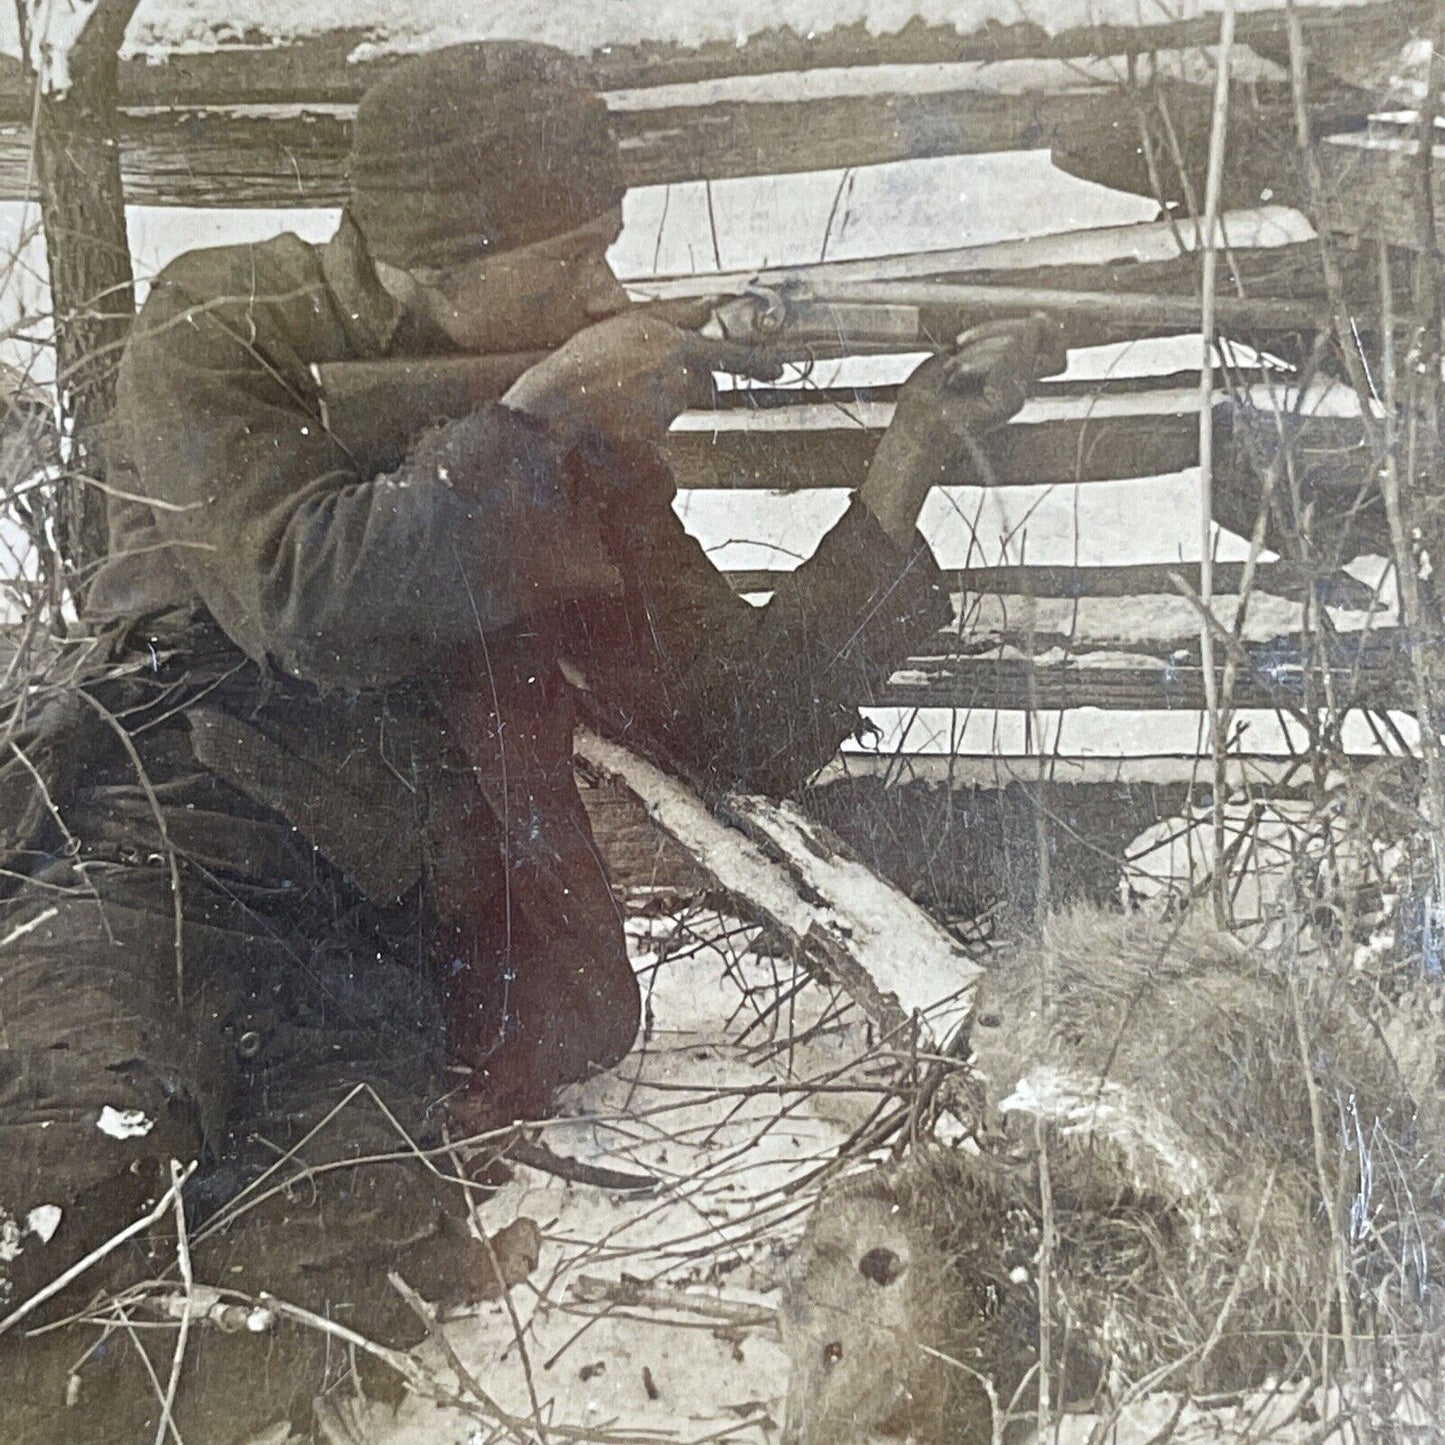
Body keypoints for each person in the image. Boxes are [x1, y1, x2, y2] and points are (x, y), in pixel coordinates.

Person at [0, 40, 1058, 1336]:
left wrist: (904, 466)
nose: (604, 290)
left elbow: (734, 717)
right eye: (567, 260)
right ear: (430, 256)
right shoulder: (224, 329)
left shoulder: (565, 431)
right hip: (162, 858)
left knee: (341, 1272)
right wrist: (532, 433)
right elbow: (308, 603)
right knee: (49, 1180)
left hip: (369, 934)